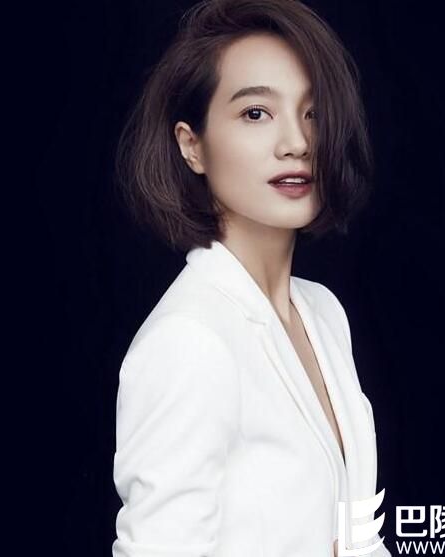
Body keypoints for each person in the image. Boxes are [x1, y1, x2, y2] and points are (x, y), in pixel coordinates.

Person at [112, 0, 390, 555]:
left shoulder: (322, 313)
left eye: (312, 112)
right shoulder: (189, 339)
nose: (297, 143)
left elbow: (356, 539)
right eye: (256, 113)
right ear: (191, 145)